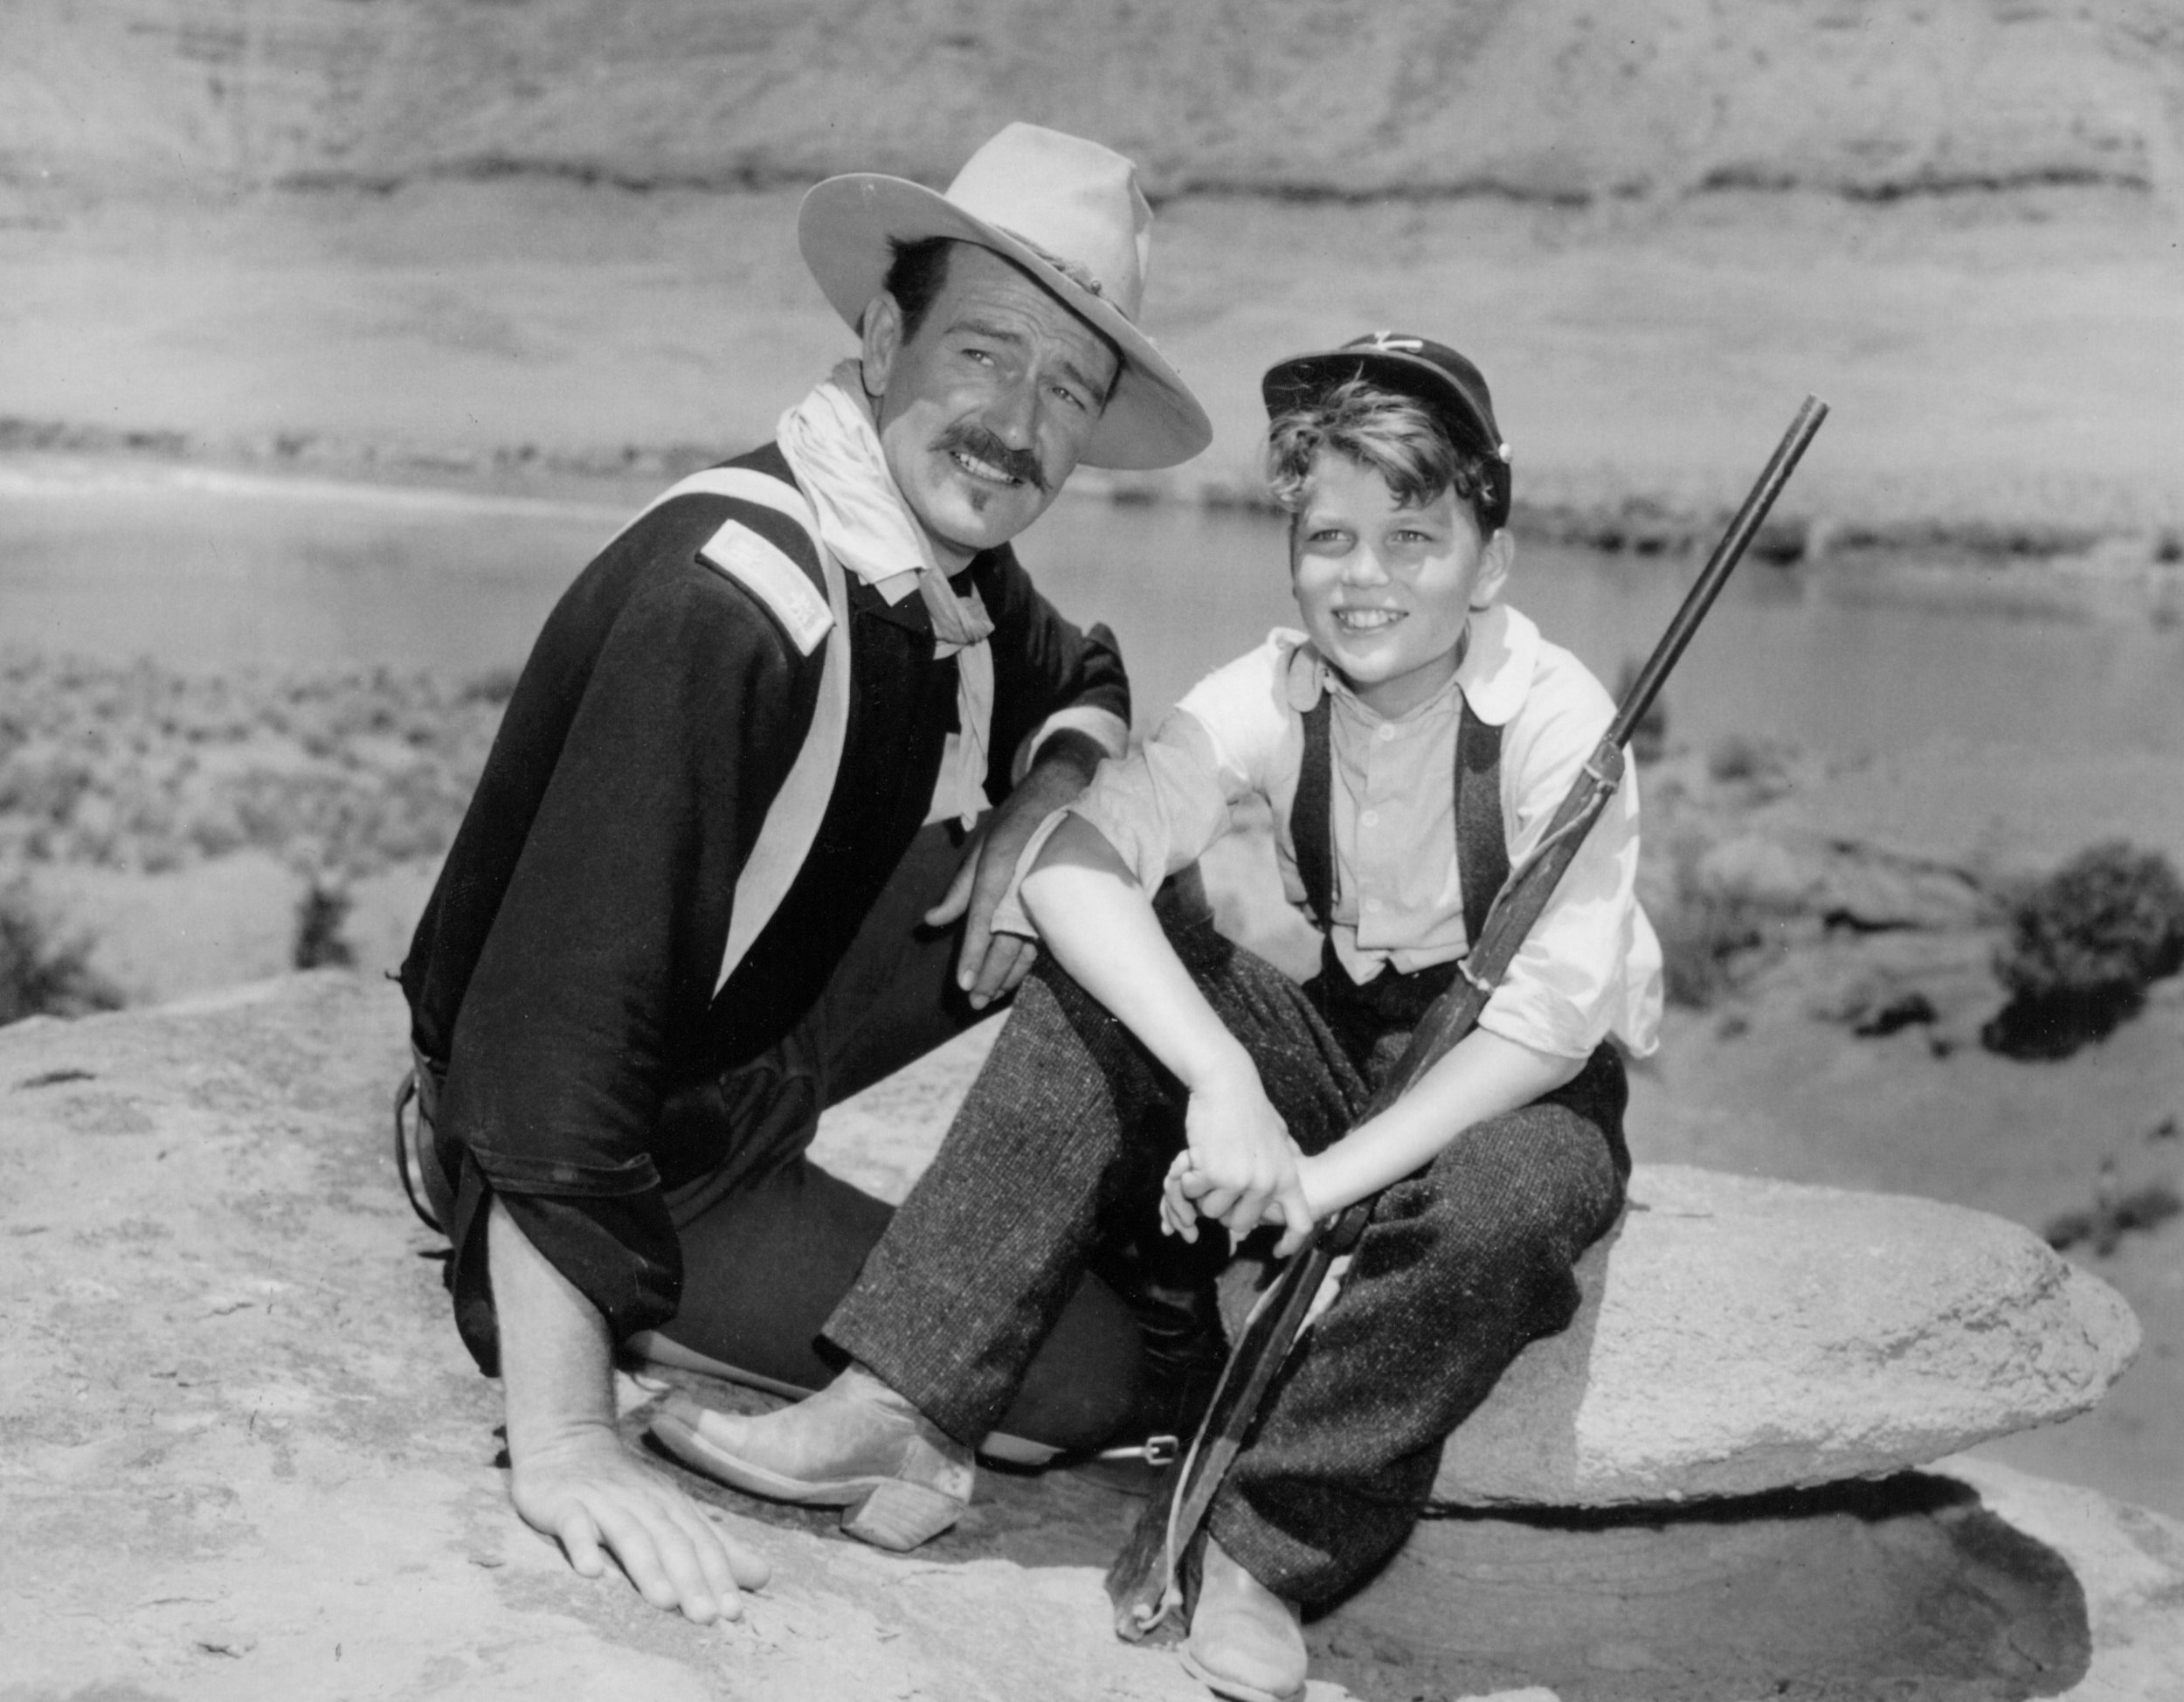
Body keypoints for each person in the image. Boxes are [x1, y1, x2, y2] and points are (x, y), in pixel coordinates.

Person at [649, 332, 1663, 1699]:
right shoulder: (1273, 690)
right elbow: (1076, 866)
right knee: (1113, 973)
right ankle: (907, 1407)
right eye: (1331, 537)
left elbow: (1542, 1024)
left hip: (1518, 1087)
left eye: (1414, 538)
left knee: (1516, 1203)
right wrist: (1220, 1080)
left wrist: (1319, 1183)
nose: (1366, 579)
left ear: (1491, 561)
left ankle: (1264, 1550)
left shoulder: (1560, 724)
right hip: (1346, 1040)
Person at [395, 122, 1213, 1626]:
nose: (1016, 423)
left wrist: (1051, 784)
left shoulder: (922, 547)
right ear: (886, 334)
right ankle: (708, 1332)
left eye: (1069, 391)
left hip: (757, 1037)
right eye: (985, 353)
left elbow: (1078, 667)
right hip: (615, 1136)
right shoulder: (739, 598)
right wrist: (568, 1446)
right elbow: (552, 1034)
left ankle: (1007, 1257)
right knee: (1092, 1383)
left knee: (1125, 871)